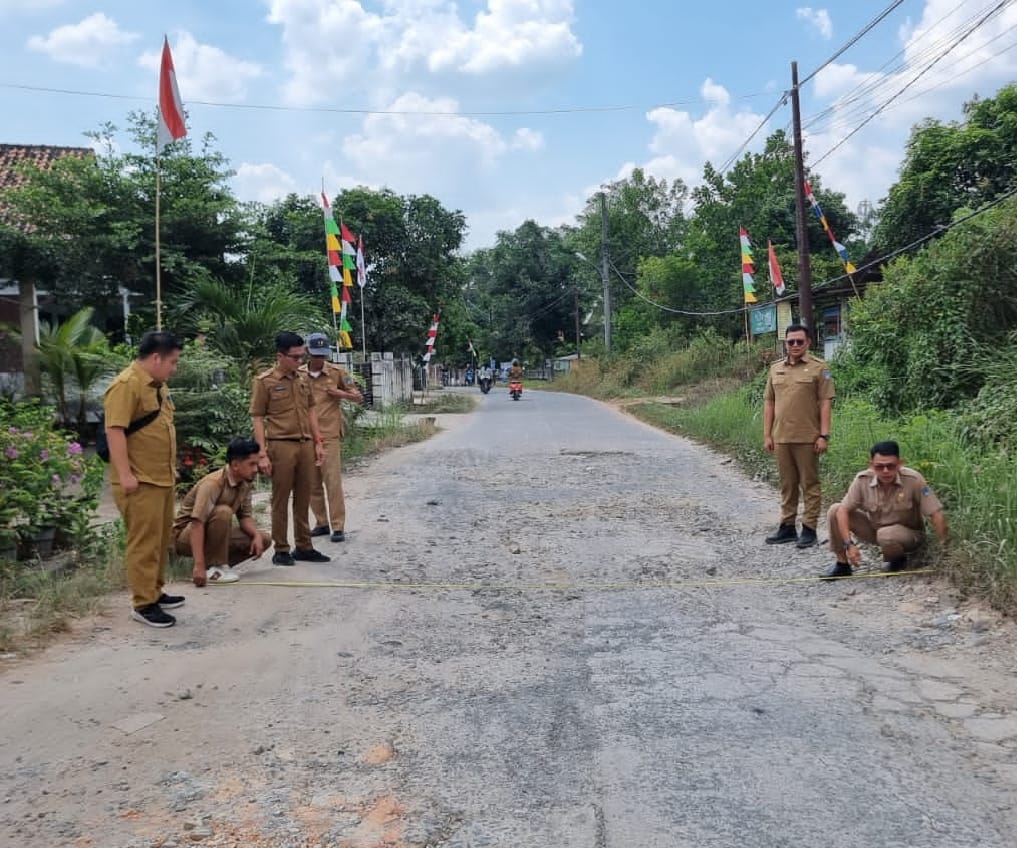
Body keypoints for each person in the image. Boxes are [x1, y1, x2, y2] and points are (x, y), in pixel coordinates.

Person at [104, 331, 184, 628]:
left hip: (161, 477)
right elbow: (115, 431)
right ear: (155, 358)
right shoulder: (127, 385)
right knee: (143, 543)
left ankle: (155, 590)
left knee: (161, 539)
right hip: (139, 480)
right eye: (172, 362)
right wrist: (125, 474)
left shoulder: (157, 386)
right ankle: (143, 603)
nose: (174, 368)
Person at [250, 331, 330, 566]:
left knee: (304, 497)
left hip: (305, 444)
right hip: (280, 444)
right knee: (280, 498)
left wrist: (318, 442)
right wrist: (261, 453)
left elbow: (311, 410)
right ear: (280, 356)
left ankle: (304, 545)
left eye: (301, 357)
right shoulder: (265, 381)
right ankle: (281, 548)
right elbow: (257, 417)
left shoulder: (303, 379)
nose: (299, 362)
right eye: (295, 357)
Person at [822, 440, 948, 579]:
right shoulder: (863, 480)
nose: (885, 471)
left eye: (890, 466)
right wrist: (849, 544)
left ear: (900, 463)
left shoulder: (913, 479)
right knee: (835, 510)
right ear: (871, 465)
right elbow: (843, 511)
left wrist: (943, 550)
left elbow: (936, 513)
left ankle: (898, 560)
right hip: (877, 530)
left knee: (886, 534)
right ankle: (842, 565)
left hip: (908, 535)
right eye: (879, 467)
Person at [762, 323, 834, 549]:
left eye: (799, 341)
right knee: (787, 484)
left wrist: (824, 435)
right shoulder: (775, 369)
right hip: (781, 436)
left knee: (809, 484)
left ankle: (809, 528)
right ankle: (787, 526)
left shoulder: (820, 368)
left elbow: (825, 403)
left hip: (807, 437)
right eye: (790, 341)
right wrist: (767, 434)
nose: (794, 345)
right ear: (785, 343)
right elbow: (769, 402)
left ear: (808, 343)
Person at [172, 437, 272, 586]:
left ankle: (218, 567)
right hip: (184, 537)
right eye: (251, 464)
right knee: (223, 512)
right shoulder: (212, 484)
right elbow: (196, 523)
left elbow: (245, 517)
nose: (256, 469)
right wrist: (198, 566)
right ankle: (211, 567)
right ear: (235, 465)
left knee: (263, 539)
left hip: (212, 534)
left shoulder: (244, 483)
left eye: (256, 464)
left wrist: (256, 535)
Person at [299, 333, 363, 544]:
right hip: (304, 436)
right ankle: (321, 522)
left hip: (329, 435)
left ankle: (338, 526)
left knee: (332, 482)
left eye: (323, 355)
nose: (319, 359)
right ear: (307, 352)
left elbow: (359, 397)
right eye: (315, 355)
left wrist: (340, 394)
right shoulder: (298, 375)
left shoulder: (337, 373)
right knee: (311, 482)